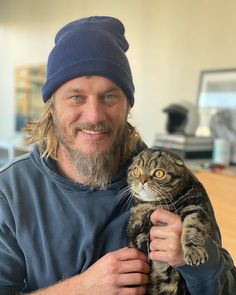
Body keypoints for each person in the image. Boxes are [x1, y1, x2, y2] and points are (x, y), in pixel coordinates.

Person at [0, 16, 235, 295]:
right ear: (51, 107)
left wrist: (197, 264)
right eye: (76, 97)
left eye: (109, 96)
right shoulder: (11, 192)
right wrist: (79, 289)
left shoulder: (173, 181)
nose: (94, 116)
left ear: (127, 105)